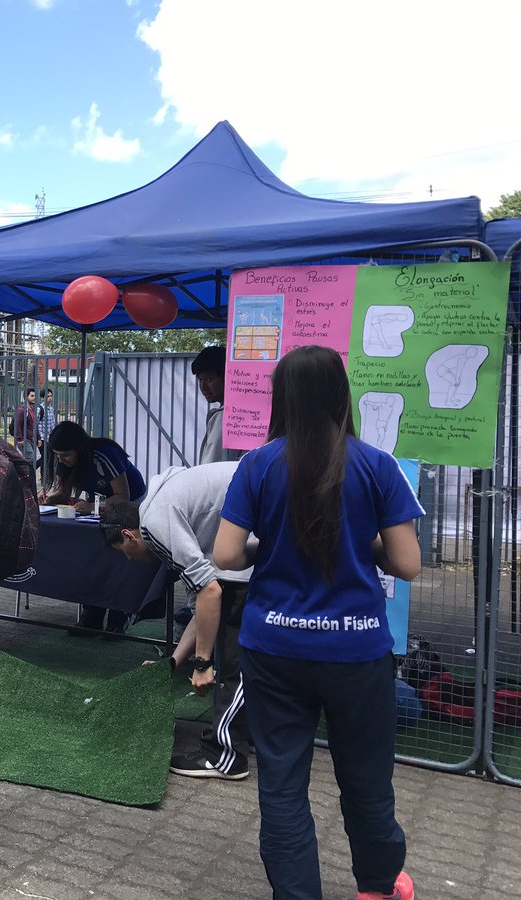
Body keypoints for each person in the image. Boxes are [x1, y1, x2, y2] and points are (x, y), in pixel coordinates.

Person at [213, 345, 422, 900]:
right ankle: (378, 886)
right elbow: (407, 563)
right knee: (366, 781)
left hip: (273, 648)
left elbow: (227, 556)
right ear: (340, 395)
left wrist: (270, 549)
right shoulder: (378, 465)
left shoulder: (256, 464)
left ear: (281, 397)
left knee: (282, 786)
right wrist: (365, 543)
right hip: (357, 653)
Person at [103, 462, 252, 780]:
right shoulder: (157, 505)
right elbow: (205, 603)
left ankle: (227, 756)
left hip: (256, 537)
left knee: (232, 657)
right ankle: (247, 734)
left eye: (125, 553)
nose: (131, 560)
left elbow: (211, 593)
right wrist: (173, 662)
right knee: (238, 643)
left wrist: (202, 664)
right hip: (251, 530)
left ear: (130, 535)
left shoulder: (157, 527)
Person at [39, 420, 146, 632]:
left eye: (66, 455)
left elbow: (122, 496)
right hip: (100, 506)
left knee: (117, 556)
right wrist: (48, 500)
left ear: (79, 448)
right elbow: (63, 492)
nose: (62, 460)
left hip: (130, 505)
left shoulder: (104, 454)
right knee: (93, 554)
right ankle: (93, 612)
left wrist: (92, 506)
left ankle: (119, 615)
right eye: (58, 455)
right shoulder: (64, 459)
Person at [192, 345, 226, 465]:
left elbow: (210, 465)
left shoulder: (224, 417)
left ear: (227, 377)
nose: (203, 387)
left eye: (209, 379)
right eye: (200, 380)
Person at [13, 388, 39, 467]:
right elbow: (17, 424)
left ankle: (25, 476)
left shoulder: (32, 410)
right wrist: (19, 438)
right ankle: (28, 477)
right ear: (26, 397)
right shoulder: (22, 410)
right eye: (32, 396)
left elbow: (35, 425)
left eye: (35, 396)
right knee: (31, 459)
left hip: (31, 439)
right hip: (24, 439)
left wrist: (39, 437)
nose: (34, 397)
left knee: (29, 459)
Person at [37, 388, 56, 488]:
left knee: (48, 457)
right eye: (47, 396)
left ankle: (47, 476)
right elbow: (35, 424)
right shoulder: (40, 409)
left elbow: (52, 424)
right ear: (42, 397)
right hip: (42, 438)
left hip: (50, 438)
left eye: (50, 396)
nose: (50, 398)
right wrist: (38, 438)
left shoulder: (51, 408)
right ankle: (44, 477)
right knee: (46, 457)